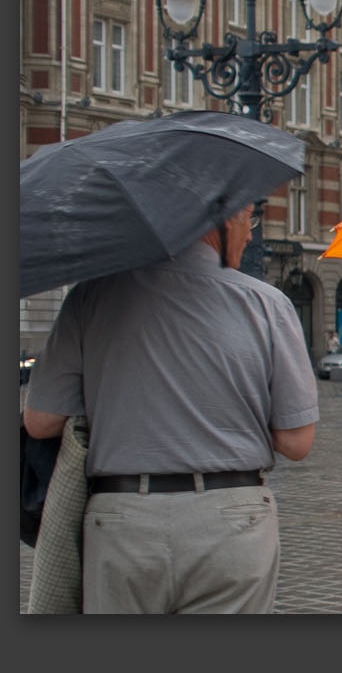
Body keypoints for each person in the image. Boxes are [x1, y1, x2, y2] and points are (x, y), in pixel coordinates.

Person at [22, 202, 318, 613]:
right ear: (213, 222)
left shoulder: (90, 296)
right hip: (232, 521)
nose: (250, 233)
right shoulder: (266, 304)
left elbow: (40, 421)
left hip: (123, 520)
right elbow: (297, 441)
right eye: (245, 217)